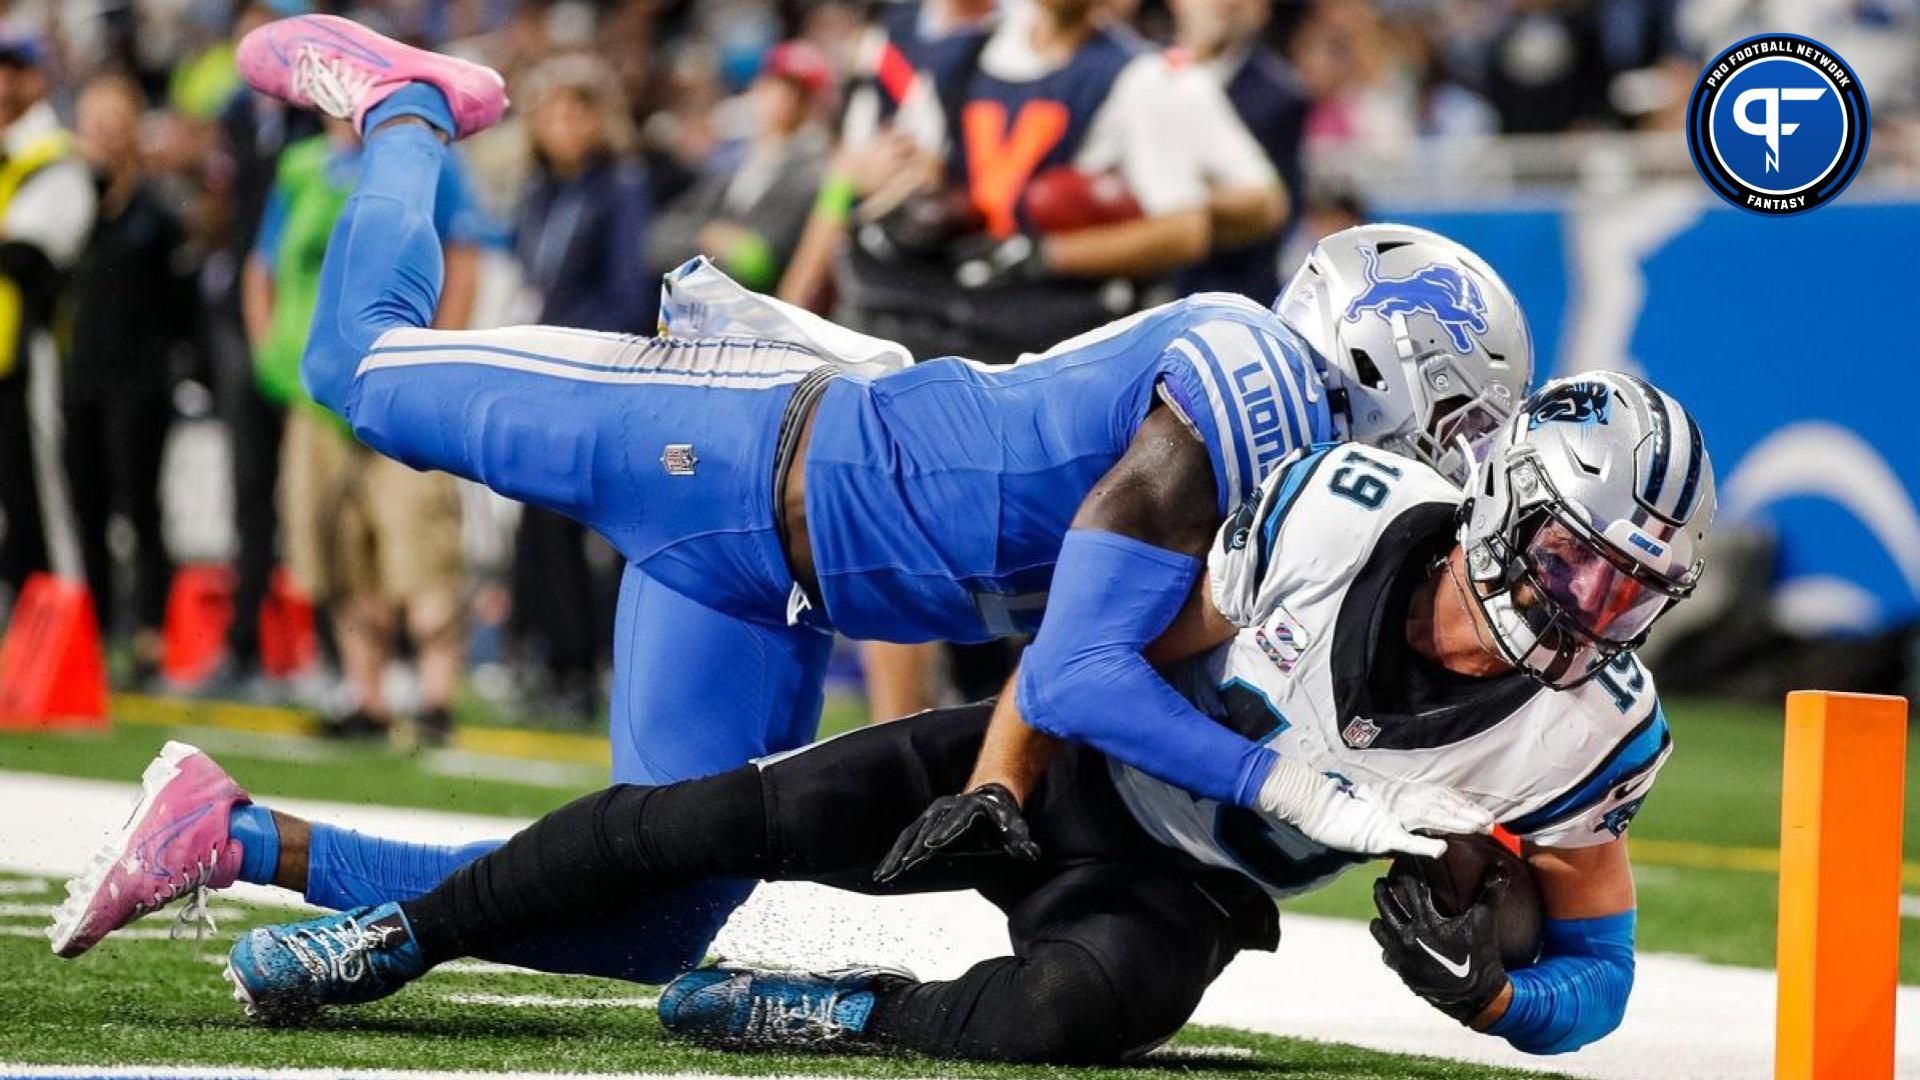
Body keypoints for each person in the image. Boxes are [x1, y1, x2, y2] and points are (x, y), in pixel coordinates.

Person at [47, 14, 1530, 986]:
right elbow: (1077, 668)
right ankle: (408, 109)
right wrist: (1304, 792)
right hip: (727, 445)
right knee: (356, 367)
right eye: (1453, 411)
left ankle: (229, 834)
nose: (1446, 457)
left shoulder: (1284, 495)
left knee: (649, 917)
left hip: (769, 583)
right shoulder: (1249, 380)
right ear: (1382, 353)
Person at [91, 372, 1706, 1067]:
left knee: (1079, 1019)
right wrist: (1018, 776)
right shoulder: (1339, 511)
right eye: (1576, 556)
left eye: (1628, 590)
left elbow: (1601, 977)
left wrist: (1500, 1004)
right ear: (1500, 498)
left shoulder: (1586, 731)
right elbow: (1091, 656)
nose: (1592, 610)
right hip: (1059, 761)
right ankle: (395, 939)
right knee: (700, 819)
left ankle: (840, 1014)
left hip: (1188, 886)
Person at [244, 114, 483, 744]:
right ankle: (367, 699)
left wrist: (442, 353)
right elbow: (263, 265)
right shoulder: (301, 167)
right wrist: (270, 352)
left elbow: (462, 255)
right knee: (339, 551)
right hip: (317, 395)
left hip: (401, 386)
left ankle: (435, 700)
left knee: (421, 542)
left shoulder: (430, 162)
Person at [507, 54, 652, 724]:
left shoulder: (617, 186)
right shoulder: (539, 191)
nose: (564, 125)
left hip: (592, 373)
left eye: (577, 111)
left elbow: (628, 290)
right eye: (554, 112)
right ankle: (553, 658)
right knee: (540, 524)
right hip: (544, 369)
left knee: (585, 528)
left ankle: (593, 667)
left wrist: (571, 349)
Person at [60, 75, 199, 683]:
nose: (105, 136)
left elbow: (180, 308)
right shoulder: (68, 206)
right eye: (95, 123)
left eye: (115, 122)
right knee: (85, 510)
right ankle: (91, 635)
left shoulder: (158, 213)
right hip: (81, 378)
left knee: (140, 510)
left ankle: (147, 638)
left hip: (140, 383)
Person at [0, 33, 96, 605]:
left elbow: (29, 255)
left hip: (30, 355)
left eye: (15, 70)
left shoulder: (51, 154)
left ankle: (61, 620)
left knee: (39, 495)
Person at [645, 41, 835, 293]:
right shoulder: (733, 161)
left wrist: (713, 242)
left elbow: (761, 266)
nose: (783, 100)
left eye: (798, 94)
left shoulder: (816, 174)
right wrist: (711, 235)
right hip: (700, 312)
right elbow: (657, 242)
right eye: (775, 86)